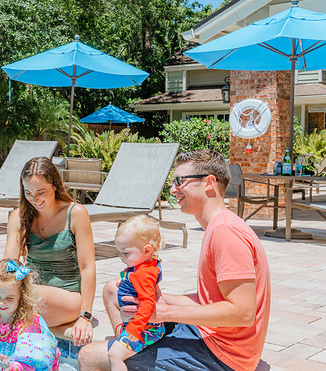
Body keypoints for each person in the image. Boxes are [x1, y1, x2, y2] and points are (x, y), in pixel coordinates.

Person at [78, 149, 271, 371]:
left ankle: (126, 357)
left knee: (89, 356)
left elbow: (244, 313)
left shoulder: (225, 232)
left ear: (209, 182)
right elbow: (211, 300)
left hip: (223, 355)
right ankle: (130, 352)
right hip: (210, 334)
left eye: (180, 181)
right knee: (114, 289)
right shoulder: (218, 226)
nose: (172, 189)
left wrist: (164, 312)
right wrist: (162, 299)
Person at [0, 156, 96, 346]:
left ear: (55, 185)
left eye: (40, 192)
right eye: (28, 192)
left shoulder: (75, 213)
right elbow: (9, 265)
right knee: (6, 298)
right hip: (31, 294)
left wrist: (85, 317)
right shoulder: (19, 217)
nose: (34, 199)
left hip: (68, 297)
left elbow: (87, 267)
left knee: (16, 296)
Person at [0, 259, 60, 371]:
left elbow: (30, 364)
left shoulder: (28, 324)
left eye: (9, 298)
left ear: (22, 296)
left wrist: (11, 367)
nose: (1, 303)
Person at [108, 215, 165, 371]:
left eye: (125, 253)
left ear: (147, 250)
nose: (121, 257)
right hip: (144, 326)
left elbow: (148, 303)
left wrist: (135, 329)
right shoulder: (146, 265)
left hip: (146, 329)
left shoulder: (143, 274)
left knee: (114, 355)